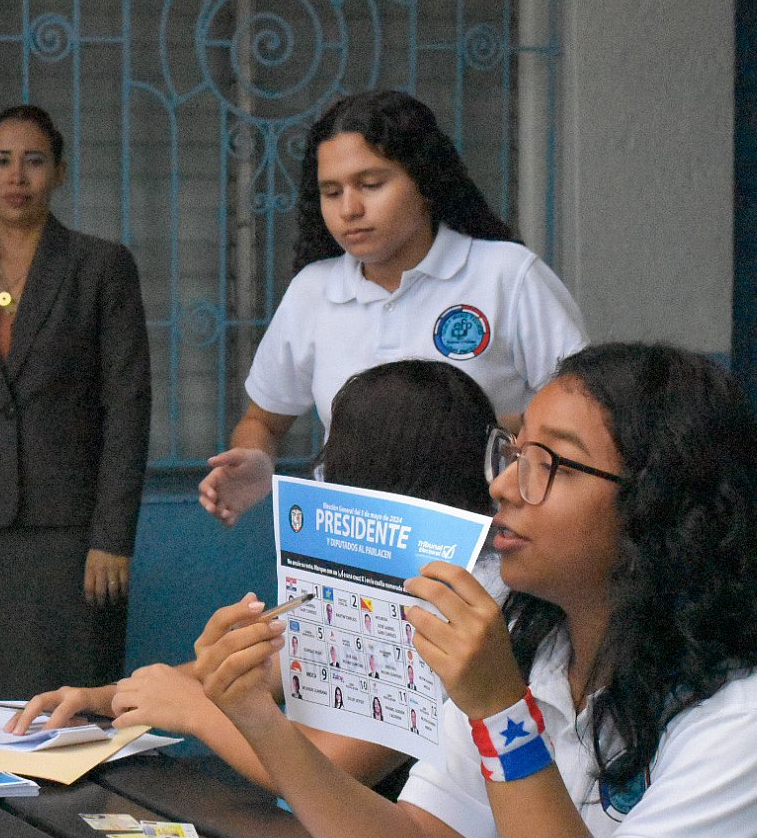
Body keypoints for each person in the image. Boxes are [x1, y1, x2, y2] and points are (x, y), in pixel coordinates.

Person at [204, 343, 757, 838]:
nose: (502, 485)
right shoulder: (540, 651)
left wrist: (502, 716)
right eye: (514, 452)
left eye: (550, 463)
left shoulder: (754, 719)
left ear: (661, 503)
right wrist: (260, 718)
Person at [10, 359, 500, 790]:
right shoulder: (374, 574)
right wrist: (102, 699)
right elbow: (268, 669)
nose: (322, 476)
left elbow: (338, 775)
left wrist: (194, 713)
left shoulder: (461, 605)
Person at [200, 89, 585, 527]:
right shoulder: (313, 290)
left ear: (424, 183)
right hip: (350, 545)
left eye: (371, 184)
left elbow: (580, 412)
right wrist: (257, 462)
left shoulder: (507, 275)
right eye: (331, 192)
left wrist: (471, 431)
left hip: (489, 542)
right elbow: (263, 421)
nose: (349, 209)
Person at [0, 104, 151, 697]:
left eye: (33, 161)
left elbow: (127, 409)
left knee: (80, 698)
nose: (16, 177)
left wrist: (112, 538)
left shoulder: (100, 268)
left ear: (60, 173)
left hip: (75, 534)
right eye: (1, 162)